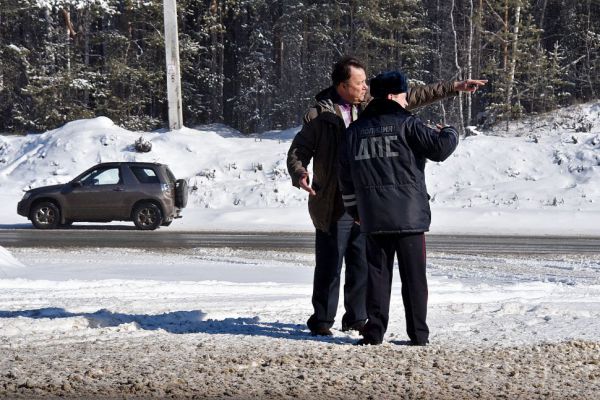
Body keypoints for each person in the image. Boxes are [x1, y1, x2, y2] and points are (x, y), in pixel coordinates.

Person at [287, 56, 486, 336]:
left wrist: (453, 87)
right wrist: (300, 174)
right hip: (332, 199)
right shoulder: (319, 116)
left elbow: (411, 96)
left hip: (366, 199)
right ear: (343, 85)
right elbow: (298, 150)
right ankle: (322, 319)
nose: (365, 87)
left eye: (367, 82)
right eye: (360, 83)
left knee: (361, 263)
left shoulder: (370, 104)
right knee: (330, 264)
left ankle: (357, 318)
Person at [338, 70, 473, 346]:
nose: (405, 100)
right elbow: (440, 150)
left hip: (372, 217)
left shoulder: (355, 131)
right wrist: (450, 131)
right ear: (392, 95)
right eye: (403, 95)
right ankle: (418, 334)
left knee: (377, 276)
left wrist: (355, 212)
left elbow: (345, 177)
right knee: (414, 279)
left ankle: (374, 331)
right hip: (410, 217)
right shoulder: (408, 124)